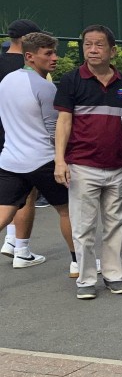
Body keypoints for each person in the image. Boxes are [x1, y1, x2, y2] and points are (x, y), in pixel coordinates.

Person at [54, 24, 122, 299]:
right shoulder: (71, 80)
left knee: (115, 226)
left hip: (118, 167)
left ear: (112, 50)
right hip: (82, 165)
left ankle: (113, 274)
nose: (92, 49)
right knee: (84, 227)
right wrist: (59, 161)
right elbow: (64, 123)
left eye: (99, 44)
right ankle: (87, 279)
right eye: (88, 44)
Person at [0, 32, 75, 269]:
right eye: (48, 53)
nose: (55, 57)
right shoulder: (46, 88)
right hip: (43, 161)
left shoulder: (6, 81)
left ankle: (22, 251)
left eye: (54, 52)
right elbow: (56, 133)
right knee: (68, 211)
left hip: (10, 161)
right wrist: (63, 160)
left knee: (4, 214)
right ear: (30, 56)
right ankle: (79, 263)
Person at [0, 19, 44, 266]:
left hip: (5, 138)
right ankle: (21, 249)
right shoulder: (32, 67)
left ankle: (10, 240)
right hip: (21, 138)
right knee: (26, 191)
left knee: (7, 193)